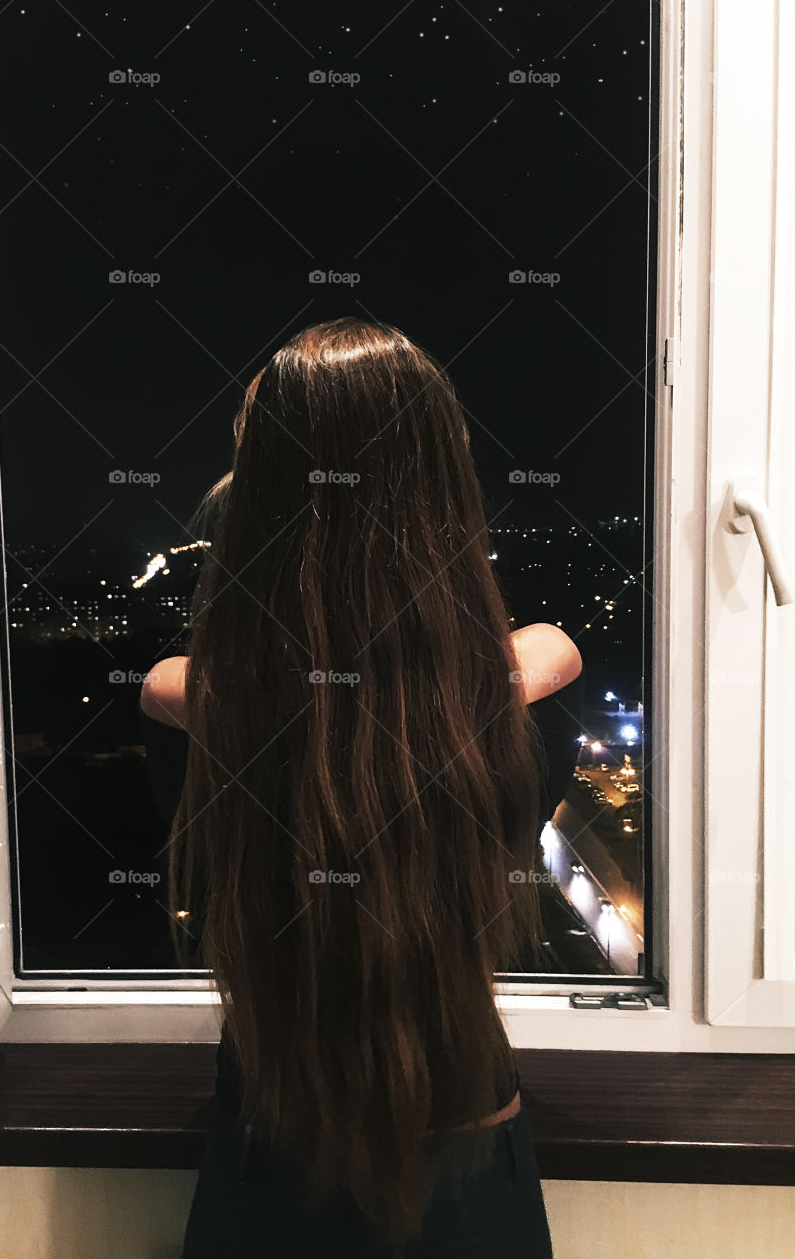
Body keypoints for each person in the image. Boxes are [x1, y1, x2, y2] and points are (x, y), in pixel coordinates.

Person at [139, 318, 582, 1257]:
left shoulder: (205, 722)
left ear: (254, 496)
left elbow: (173, 685)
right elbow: (552, 651)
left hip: (265, 1141)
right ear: (440, 485)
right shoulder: (515, 724)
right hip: (469, 1144)